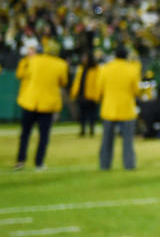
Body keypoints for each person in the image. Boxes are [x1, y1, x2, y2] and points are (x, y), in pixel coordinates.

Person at [14, 42, 68, 170]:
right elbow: (63, 82)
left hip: (30, 101)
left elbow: (24, 75)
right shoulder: (61, 64)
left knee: (25, 133)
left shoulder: (34, 60)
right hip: (47, 104)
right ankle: (39, 163)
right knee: (43, 136)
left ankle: (20, 161)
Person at [97, 47, 141, 170]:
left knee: (106, 140)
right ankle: (129, 165)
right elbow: (136, 91)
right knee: (128, 141)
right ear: (126, 56)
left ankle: (104, 165)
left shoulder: (105, 69)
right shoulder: (132, 69)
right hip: (126, 108)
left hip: (109, 108)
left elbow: (99, 89)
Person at [70, 52, 100, 136]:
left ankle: (91, 130)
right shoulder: (81, 68)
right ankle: (82, 130)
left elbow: (98, 83)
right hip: (82, 95)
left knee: (91, 114)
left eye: (85, 57)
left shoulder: (95, 69)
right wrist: (74, 92)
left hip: (92, 95)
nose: (83, 59)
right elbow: (77, 81)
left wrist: (97, 95)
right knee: (82, 114)